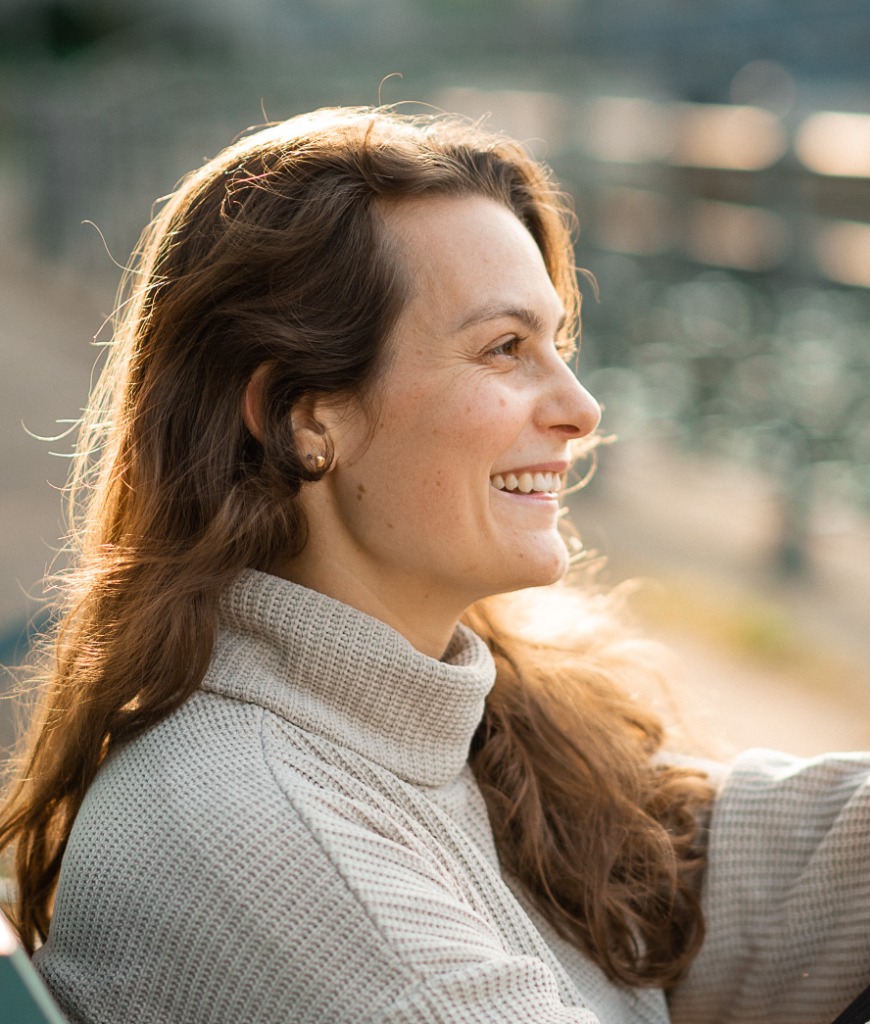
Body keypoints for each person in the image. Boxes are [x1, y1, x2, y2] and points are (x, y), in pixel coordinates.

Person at [1, 105, 868, 1024]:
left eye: (558, 345)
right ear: (303, 415)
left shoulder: (472, 723)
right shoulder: (255, 834)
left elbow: (771, 873)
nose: (581, 409)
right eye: (505, 348)